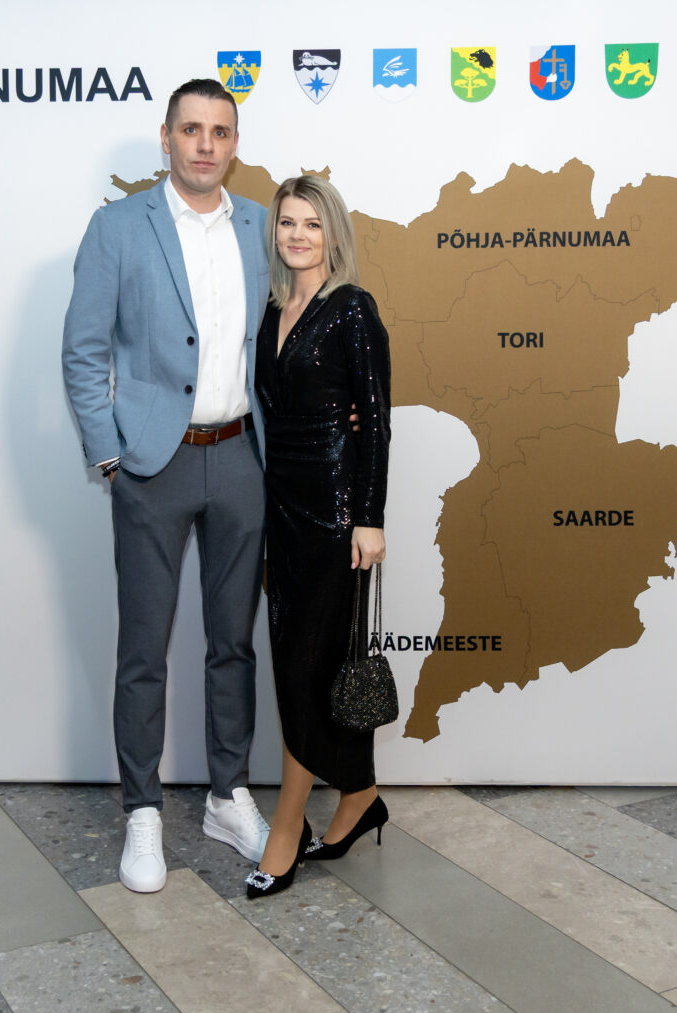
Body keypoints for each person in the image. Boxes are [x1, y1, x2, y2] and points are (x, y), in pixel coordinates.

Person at [62, 79, 272, 894]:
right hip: (153, 464)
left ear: (234, 143)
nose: (205, 145)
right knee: (143, 648)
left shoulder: (261, 226)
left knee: (234, 642)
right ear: (166, 137)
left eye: (220, 131)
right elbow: (84, 351)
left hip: (242, 458)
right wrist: (110, 457)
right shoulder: (118, 228)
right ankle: (142, 811)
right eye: (191, 130)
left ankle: (227, 796)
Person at [247, 176, 392, 898]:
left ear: (333, 233)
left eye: (311, 223)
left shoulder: (352, 309)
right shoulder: (274, 308)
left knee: (307, 670)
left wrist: (369, 517)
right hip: (280, 510)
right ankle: (360, 795)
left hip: (335, 518)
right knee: (296, 662)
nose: (298, 235)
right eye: (287, 223)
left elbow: (376, 420)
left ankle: (286, 829)